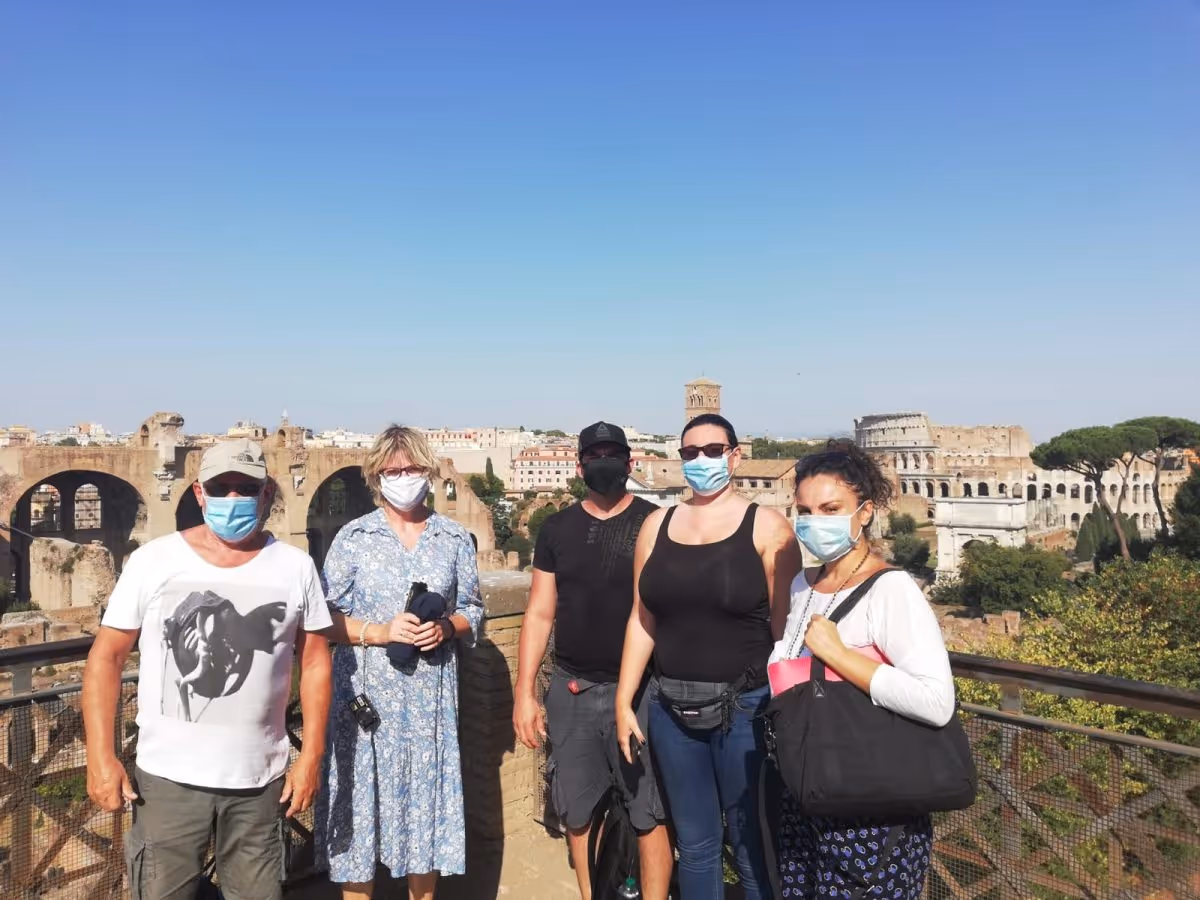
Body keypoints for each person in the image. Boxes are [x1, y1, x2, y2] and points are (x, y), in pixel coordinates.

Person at [82, 438, 333, 900]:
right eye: (221, 488)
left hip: (260, 782)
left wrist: (311, 757)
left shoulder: (296, 566)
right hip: (167, 781)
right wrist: (100, 755)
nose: (233, 498)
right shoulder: (153, 560)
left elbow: (316, 661)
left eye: (246, 488)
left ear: (266, 493)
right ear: (200, 493)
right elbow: (106, 658)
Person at [616, 413, 803, 900]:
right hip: (669, 710)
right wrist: (623, 701)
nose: (701, 460)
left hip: (746, 709)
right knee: (695, 846)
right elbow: (642, 619)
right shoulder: (656, 525)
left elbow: (785, 632)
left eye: (713, 451)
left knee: (750, 844)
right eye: (690, 452)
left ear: (735, 456)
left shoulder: (767, 527)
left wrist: (793, 709)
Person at [771, 441, 956, 898]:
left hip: (869, 812)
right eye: (805, 511)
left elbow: (936, 702)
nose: (814, 522)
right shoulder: (802, 586)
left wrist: (839, 655)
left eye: (830, 509)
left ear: (866, 511)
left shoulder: (892, 590)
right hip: (804, 799)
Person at [315, 425, 484, 900]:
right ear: (376, 477)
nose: (403, 477)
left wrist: (446, 627)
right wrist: (380, 631)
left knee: (424, 826)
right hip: (367, 710)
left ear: (428, 472)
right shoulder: (354, 538)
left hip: (429, 712)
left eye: (411, 468)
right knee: (359, 829)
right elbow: (324, 618)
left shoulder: (453, 538)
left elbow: (473, 609)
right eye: (392, 471)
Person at [513, 422, 673, 900]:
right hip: (573, 689)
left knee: (650, 812)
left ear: (630, 462)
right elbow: (539, 612)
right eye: (594, 455)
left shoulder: (654, 522)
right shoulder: (557, 528)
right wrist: (524, 692)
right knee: (578, 811)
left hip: (642, 692)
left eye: (613, 454)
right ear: (580, 466)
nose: (604, 463)